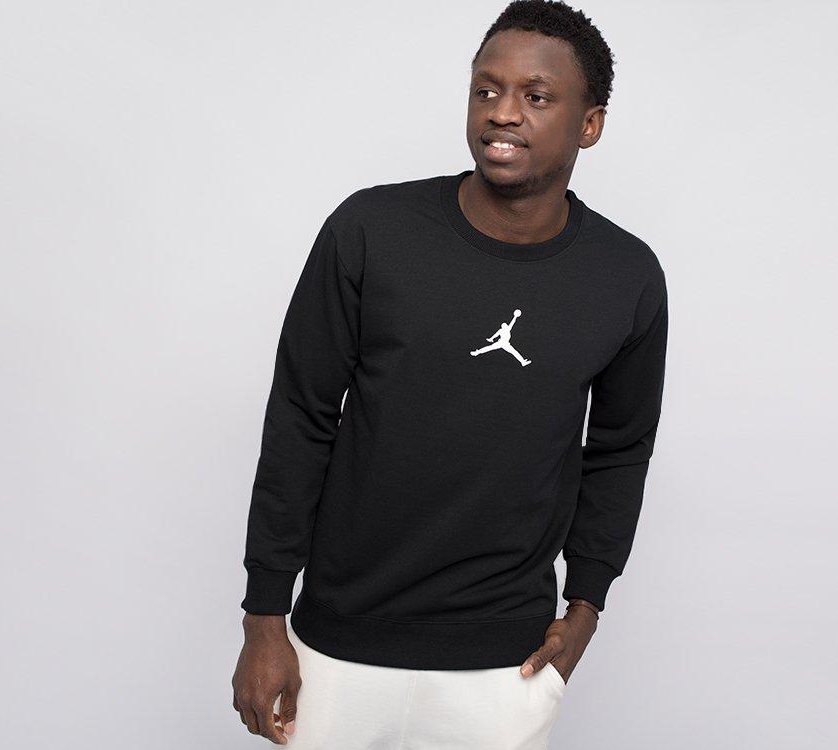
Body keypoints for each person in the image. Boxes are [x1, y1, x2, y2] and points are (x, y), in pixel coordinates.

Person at [231, 1, 669, 747]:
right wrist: (264, 617)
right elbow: (301, 416)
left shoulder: (625, 276)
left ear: (590, 124)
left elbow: (621, 449)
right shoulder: (370, 231)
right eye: (486, 90)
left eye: (536, 96)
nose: (503, 112)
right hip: (335, 647)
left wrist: (587, 606)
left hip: (505, 667)